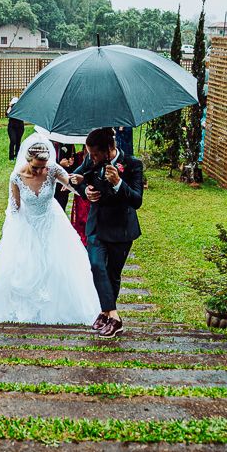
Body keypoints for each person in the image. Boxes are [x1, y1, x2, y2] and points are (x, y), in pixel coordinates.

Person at [0, 134, 101, 325]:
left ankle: (57, 306)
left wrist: (81, 188)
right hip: (28, 223)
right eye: (36, 167)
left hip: (52, 221)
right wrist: (17, 233)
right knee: (26, 266)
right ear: (28, 161)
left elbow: (71, 184)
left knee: (58, 263)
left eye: (43, 167)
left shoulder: (52, 169)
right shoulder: (17, 177)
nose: (40, 171)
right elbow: (14, 207)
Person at [68, 127, 144, 339]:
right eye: (89, 154)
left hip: (122, 228)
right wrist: (86, 191)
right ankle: (115, 317)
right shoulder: (91, 160)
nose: (90, 158)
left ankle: (105, 313)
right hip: (97, 225)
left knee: (112, 274)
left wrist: (118, 182)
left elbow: (137, 200)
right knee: (96, 265)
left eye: (94, 154)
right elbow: (78, 176)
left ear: (110, 149)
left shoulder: (132, 164)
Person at [7, 96, 26, 161]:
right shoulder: (10, 108)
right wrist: (10, 106)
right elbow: (7, 114)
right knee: (13, 140)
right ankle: (11, 156)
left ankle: (17, 155)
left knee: (18, 141)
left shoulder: (21, 108)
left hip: (20, 127)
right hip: (12, 127)